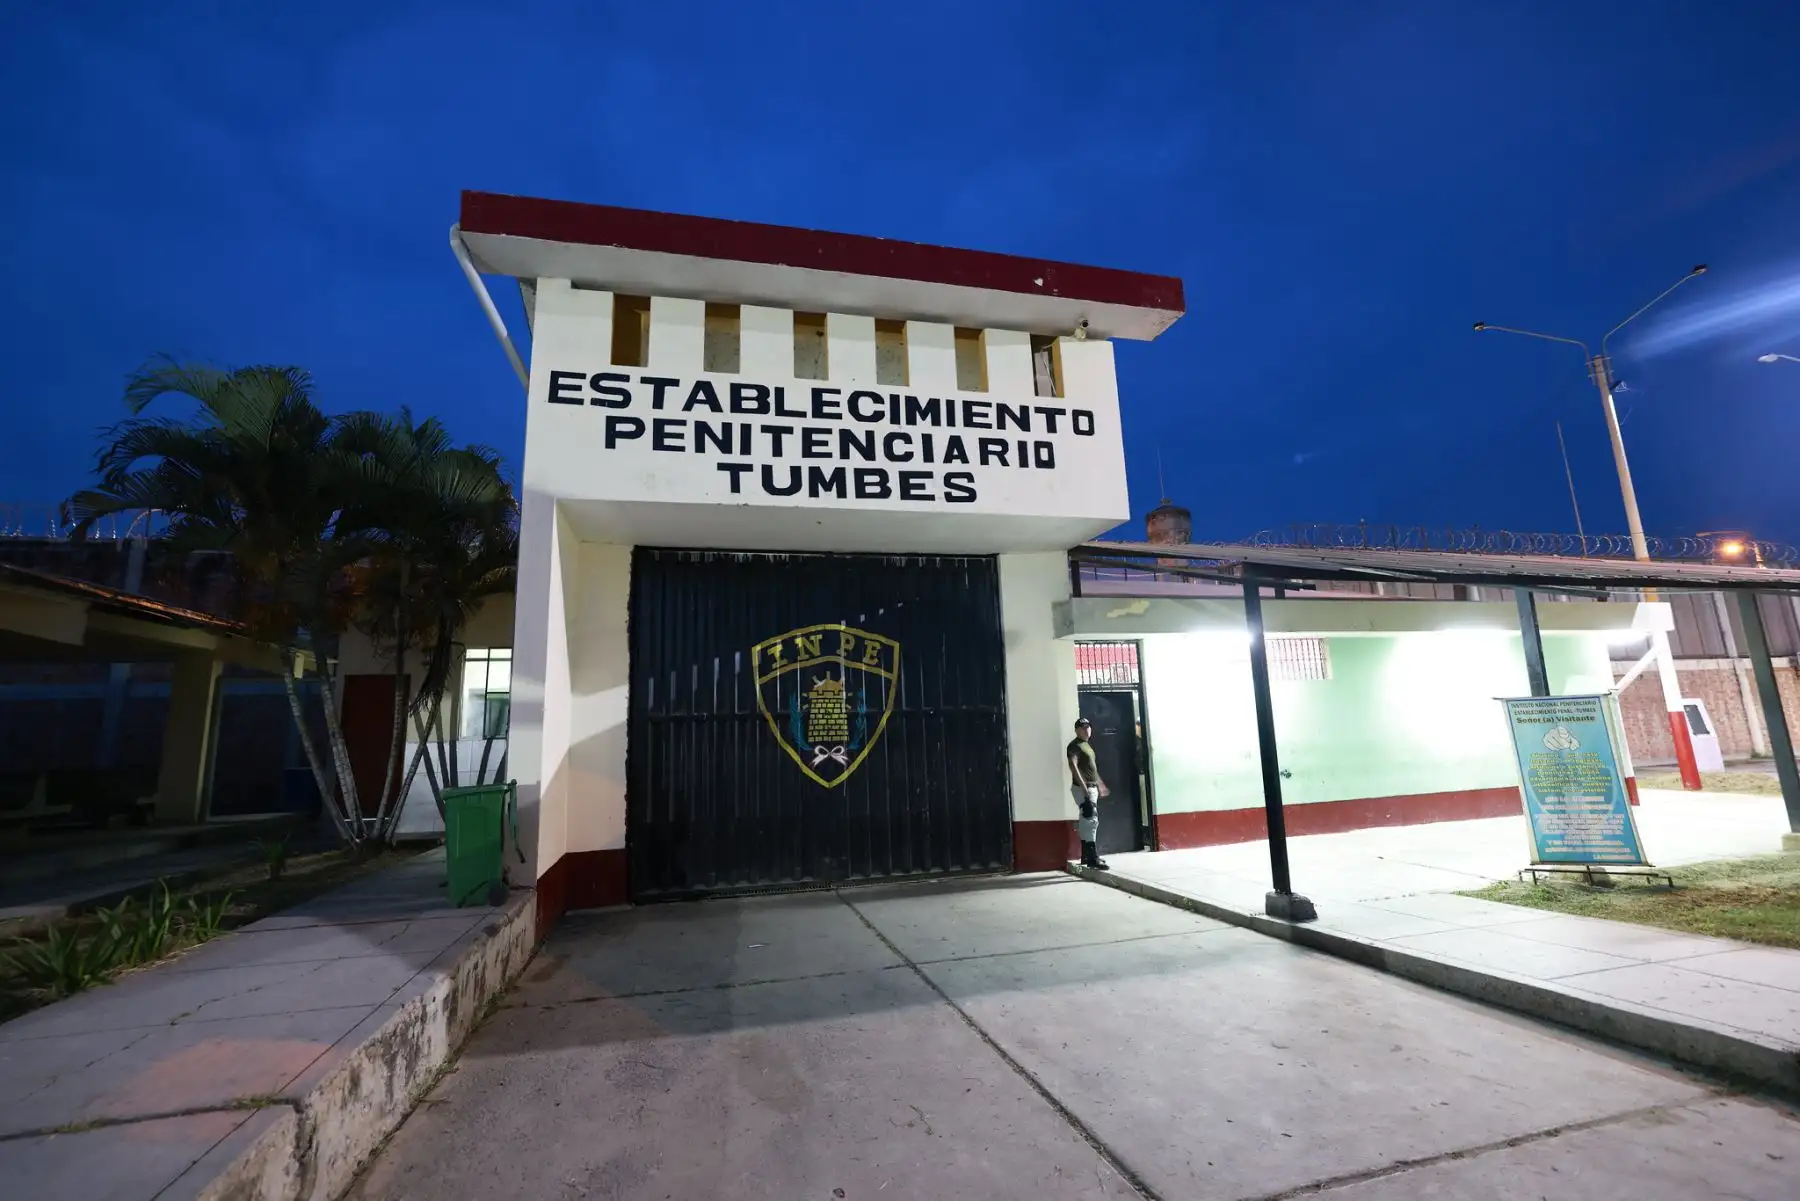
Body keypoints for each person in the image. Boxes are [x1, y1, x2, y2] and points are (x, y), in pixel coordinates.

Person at [1067, 716, 1110, 870]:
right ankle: (1092, 858)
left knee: (1086, 820)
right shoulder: (1075, 746)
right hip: (1083, 788)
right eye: (1083, 727)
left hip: (1092, 788)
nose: (1086, 730)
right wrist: (1085, 789)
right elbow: (1073, 766)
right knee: (1091, 820)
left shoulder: (1087, 746)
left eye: (1088, 727)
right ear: (1076, 730)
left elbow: (1092, 769)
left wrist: (1101, 785)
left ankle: (1086, 855)